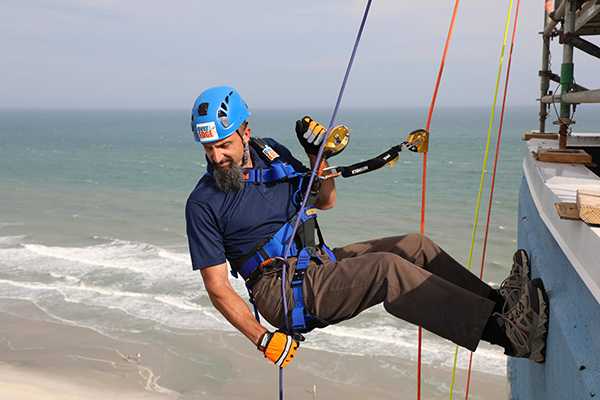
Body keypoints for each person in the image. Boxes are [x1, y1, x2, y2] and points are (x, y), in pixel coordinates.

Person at [185, 86, 550, 368]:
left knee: (414, 246)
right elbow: (217, 288)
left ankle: (503, 306)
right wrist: (262, 338)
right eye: (208, 148)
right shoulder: (203, 203)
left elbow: (323, 200)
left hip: (315, 262)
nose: (217, 157)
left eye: (224, 145)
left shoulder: (271, 153)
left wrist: (319, 157)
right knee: (386, 271)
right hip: (279, 291)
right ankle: (508, 336)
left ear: (246, 132)